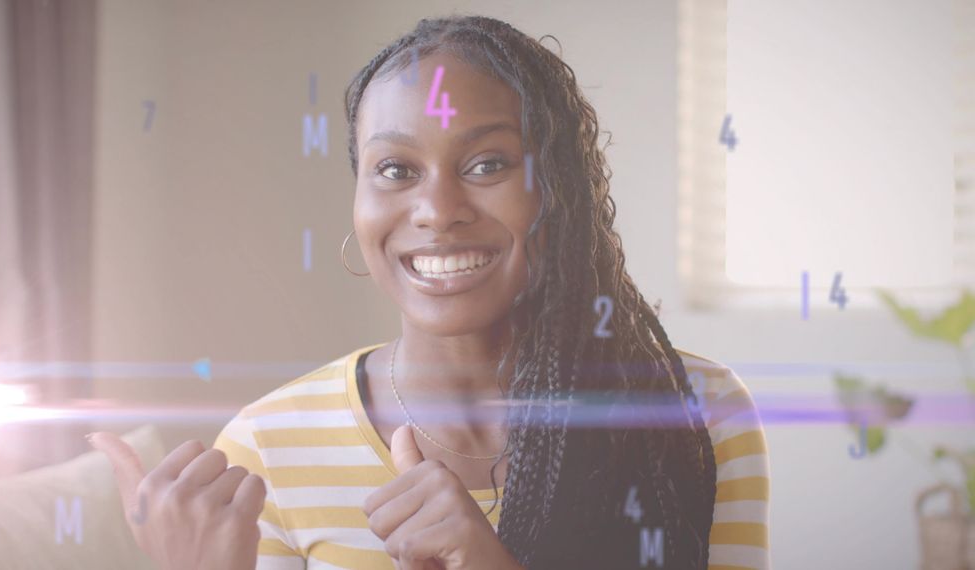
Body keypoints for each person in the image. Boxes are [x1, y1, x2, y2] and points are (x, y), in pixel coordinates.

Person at [92, 15, 770, 570]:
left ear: (561, 193)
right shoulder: (267, 448)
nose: (438, 209)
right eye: (395, 169)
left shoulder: (695, 417)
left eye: (487, 164)